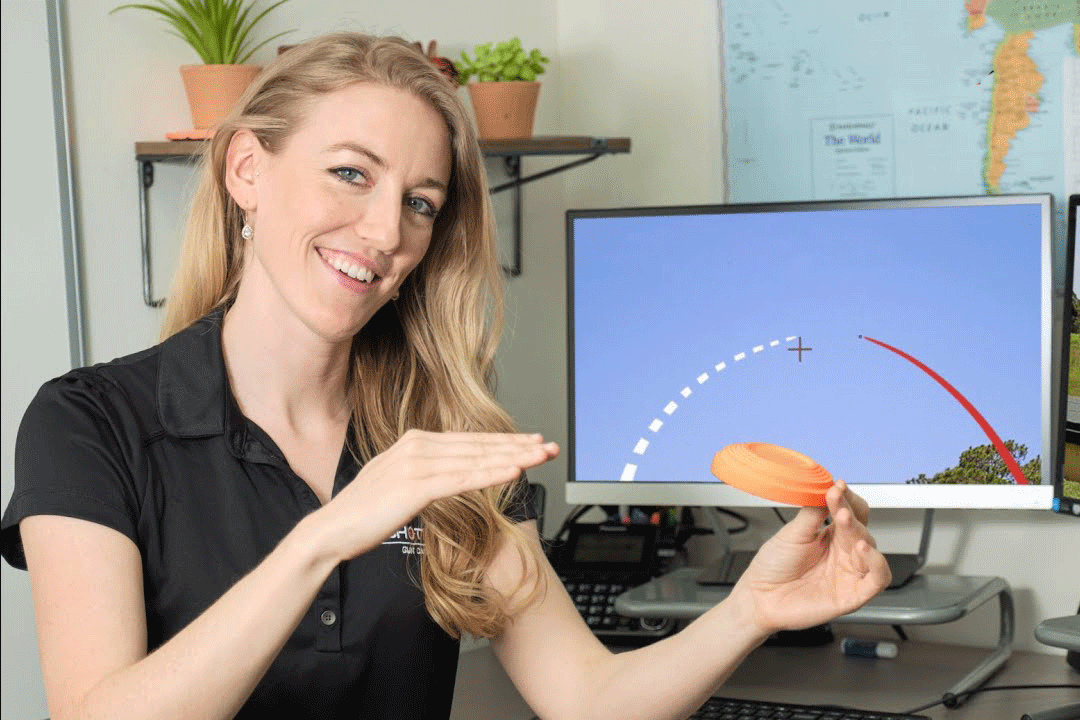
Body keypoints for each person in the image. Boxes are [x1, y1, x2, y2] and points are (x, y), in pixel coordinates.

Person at [0, 32, 891, 720]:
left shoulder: (443, 448)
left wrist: (752, 610)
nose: (385, 232)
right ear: (247, 171)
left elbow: (588, 699)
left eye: (419, 202)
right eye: (350, 173)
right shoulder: (90, 425)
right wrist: (324, 537)